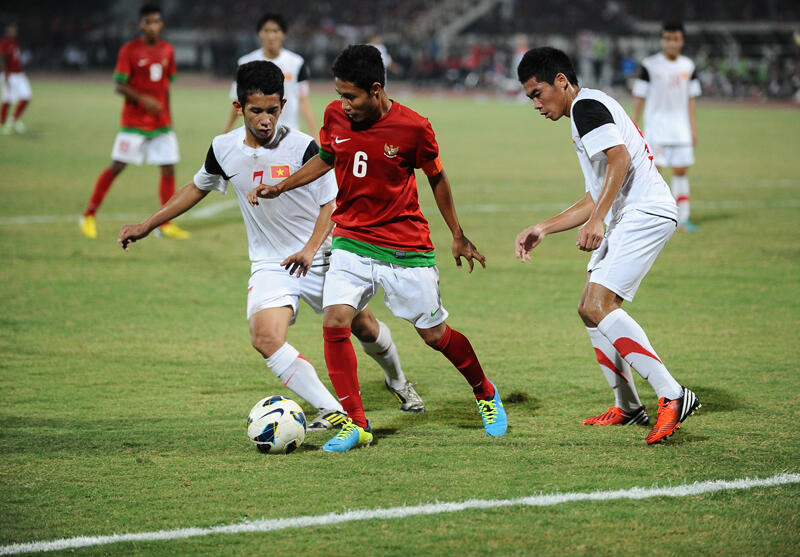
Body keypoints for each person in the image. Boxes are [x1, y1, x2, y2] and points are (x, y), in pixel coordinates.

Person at [118, 60, 424, 430]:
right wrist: (148, 224)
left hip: (323, 254)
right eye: (256, 111)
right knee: (265, 337)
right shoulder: (223, 148)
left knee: (364, 327)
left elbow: (333, 203)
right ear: (238, 107)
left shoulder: (303, 148)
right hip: (271, 263)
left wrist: (311, 249)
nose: (266, 119)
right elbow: (197, 187)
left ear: (283, 104)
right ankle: (336, 412)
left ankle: (398, 381)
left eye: (273, 110)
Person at [247, 44, 508, 453]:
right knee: (335, 323)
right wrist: (282, 186)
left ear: (375, 89)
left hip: (404, 245)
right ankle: (357, 424)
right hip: (352, 237)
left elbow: (437, 178)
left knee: (435, 334)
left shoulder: (414, 128)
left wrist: (457, 233)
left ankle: (485, 392)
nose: (343, 104)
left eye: (350, 96)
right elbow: (327, 158)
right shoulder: (336, 117)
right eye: (339, 95)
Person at [514, 47, 699, 445]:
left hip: (643, 212)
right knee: (589, 310)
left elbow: (620, 161)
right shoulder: (587, 109)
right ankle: (630, 407)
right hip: (630, 212)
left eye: (537, 92)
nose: (535, 103)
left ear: (561, 81)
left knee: (599, 305)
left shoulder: (585, 107)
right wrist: (544, 228)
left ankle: (673, 394)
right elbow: (594, 194)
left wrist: (599, 218)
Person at [80, 4, 189, 240]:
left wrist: (169, 118)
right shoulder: (129, 50)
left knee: (168, 167)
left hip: (161, 123)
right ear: (141, 25)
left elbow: (166, 87)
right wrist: (144, 100)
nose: (152, 26)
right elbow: (118, 84)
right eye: (148, 22)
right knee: (117, 166)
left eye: (157, 22)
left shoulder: (168, 50)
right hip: (134, 122)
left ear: (161, 25)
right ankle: (88, 215)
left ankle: (164, 224)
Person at [633, 22, 701, 232]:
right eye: (668, 38)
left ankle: (683, 218)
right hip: (656, 130)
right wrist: (634, 124)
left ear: (682, 41)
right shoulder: (650, 65)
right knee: (652, 174)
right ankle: (651, 217)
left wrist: (692, 127)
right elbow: (640, 96)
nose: (672, 43)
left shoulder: (688, 66)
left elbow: (691, 99)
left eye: (676, 39)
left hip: (680, 130)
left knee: (681, 172)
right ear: (662, 40)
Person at [223, 13, 317, 142]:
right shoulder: (245, 63)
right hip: (255, 133)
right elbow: (238, 100)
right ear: (259, 34)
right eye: (266, 31)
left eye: (275, 31)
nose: (271, 36)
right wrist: (226, 131)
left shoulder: (296, 63)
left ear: (283, 34)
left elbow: (303, 100)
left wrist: (315, 132)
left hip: (288, 133)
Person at [0, 22, 32, 135]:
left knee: (27, 96)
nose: (14, 31)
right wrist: (5, 74)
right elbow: (2, 59)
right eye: (12, 30)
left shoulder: (15, 43)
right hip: (9, 75)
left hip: (19, 74)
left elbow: (16, 60)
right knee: (7, 100)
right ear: (7, 31)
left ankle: (13, 120)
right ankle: (2, 125)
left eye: (15, 30)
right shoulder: (4, 43)